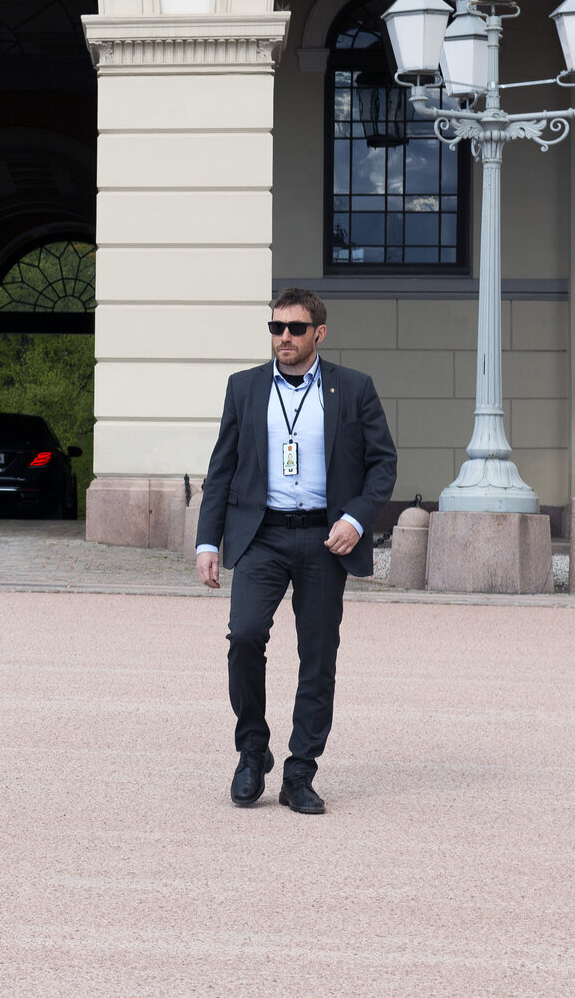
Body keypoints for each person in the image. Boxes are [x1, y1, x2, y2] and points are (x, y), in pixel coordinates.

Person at [195, 287, 395, 816]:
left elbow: (383, 466)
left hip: (325, 540)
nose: (284, 336)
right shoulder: (244, 389)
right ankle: (251, 749)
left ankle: (300, 771)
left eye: (295, 328)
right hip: (262, 535)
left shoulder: (353, 389)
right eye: (277, 327)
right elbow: (221, 471)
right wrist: (207, 542)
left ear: (318, 333)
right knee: (244, 637)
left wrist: (355, 519)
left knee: (318, 657)